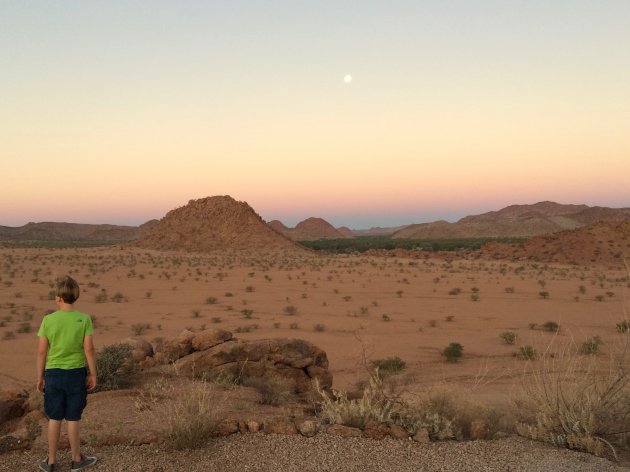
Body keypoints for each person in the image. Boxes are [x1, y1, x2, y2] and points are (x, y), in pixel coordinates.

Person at [36, 275, 98, 472]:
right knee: (73, 417)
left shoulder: (48, 320)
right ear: (76, 296)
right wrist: (93, 374)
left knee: (54, 418)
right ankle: (76, 460)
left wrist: (40, 376)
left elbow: (41, 351)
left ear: (58, 298)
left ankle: (51, 461)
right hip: (76, 374)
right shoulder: (85, 319)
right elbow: (89, 349)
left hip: (53, 374)